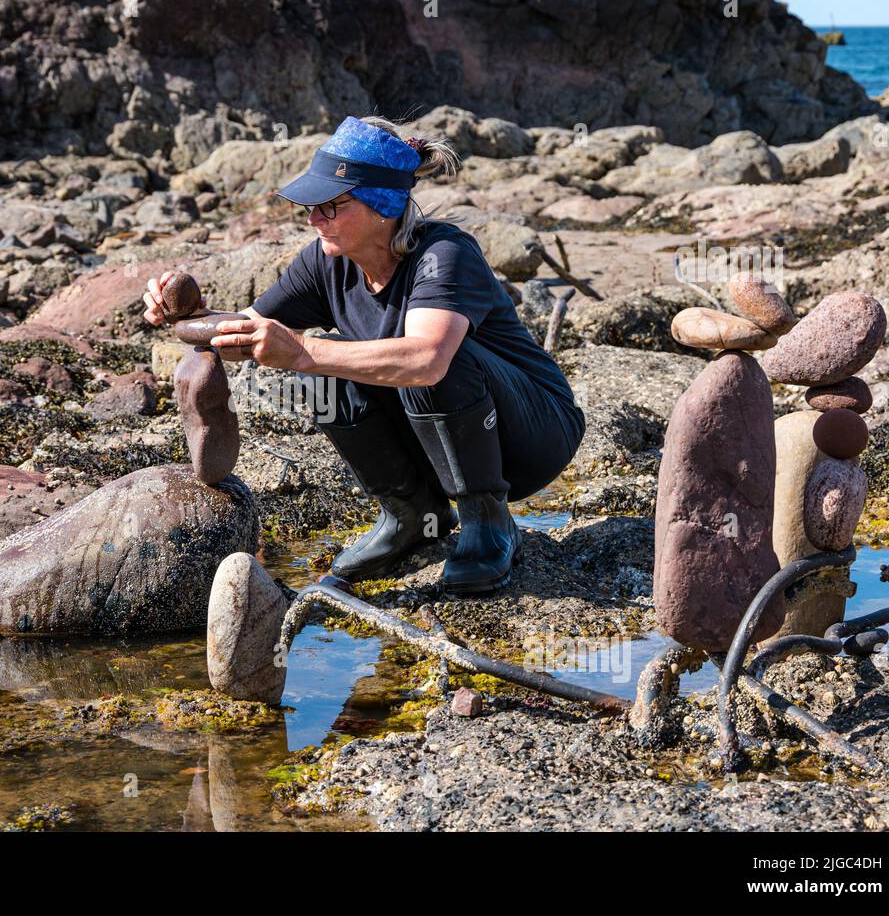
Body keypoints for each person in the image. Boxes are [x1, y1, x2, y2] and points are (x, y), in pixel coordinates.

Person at [143, 115, 584, 593]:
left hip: (533, 438)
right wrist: (183, 314)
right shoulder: (324, 260)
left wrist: (303, 351)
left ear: (383, 205)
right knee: (322, 369)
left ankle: (486, 521)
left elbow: (427, 360)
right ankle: (409, 515)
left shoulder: (443, 253)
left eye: (330, 207)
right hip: (444, 439)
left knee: (415, 360)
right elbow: (249, 333)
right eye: (310, 207)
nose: (314, 219)